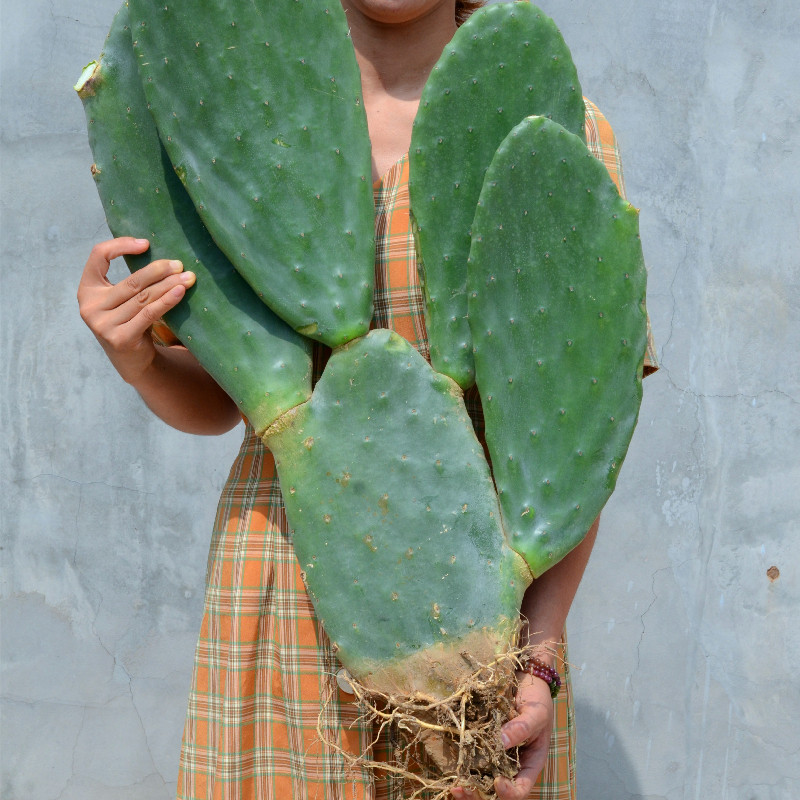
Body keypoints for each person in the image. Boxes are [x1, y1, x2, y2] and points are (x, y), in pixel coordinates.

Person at [77, 2, 658, 798]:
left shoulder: (542, 110)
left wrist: (539, 659)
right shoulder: (248, 110)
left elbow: (575, 424)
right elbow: (230, 401)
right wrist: (137, 357)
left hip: (477, 629)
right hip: (286, 589)